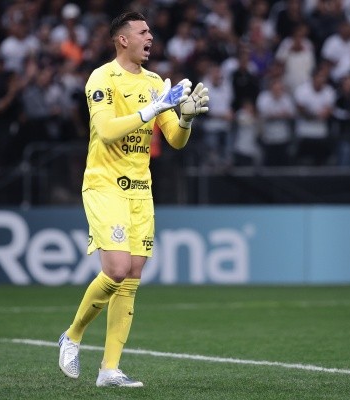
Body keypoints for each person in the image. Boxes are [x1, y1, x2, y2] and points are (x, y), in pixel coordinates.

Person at [58, 11, 209, 387]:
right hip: (105, 184)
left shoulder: (156, 82)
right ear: (122, 39)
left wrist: (185, 119)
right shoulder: (102, 77)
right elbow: (107, 130)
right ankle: (72, 335)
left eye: (151, 31)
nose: (150, 37)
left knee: (132, 276)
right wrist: (152, 109)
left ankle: (109, 369)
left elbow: (174, 140)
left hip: (141, 190)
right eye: (143, 32)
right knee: (116, 268)